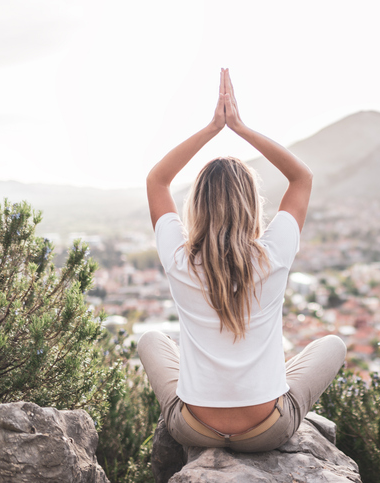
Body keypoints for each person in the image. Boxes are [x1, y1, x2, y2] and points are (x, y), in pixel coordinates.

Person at [137, 68, 346, 451]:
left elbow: (157, 181)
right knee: (332, 344)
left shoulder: (178, 258)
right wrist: (240, 127)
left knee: (151, 337)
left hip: (194, 427)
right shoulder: (274, 254)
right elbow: (301, 177)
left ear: (196, 204)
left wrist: (212, 128)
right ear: (251, 203)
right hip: (266, 430)